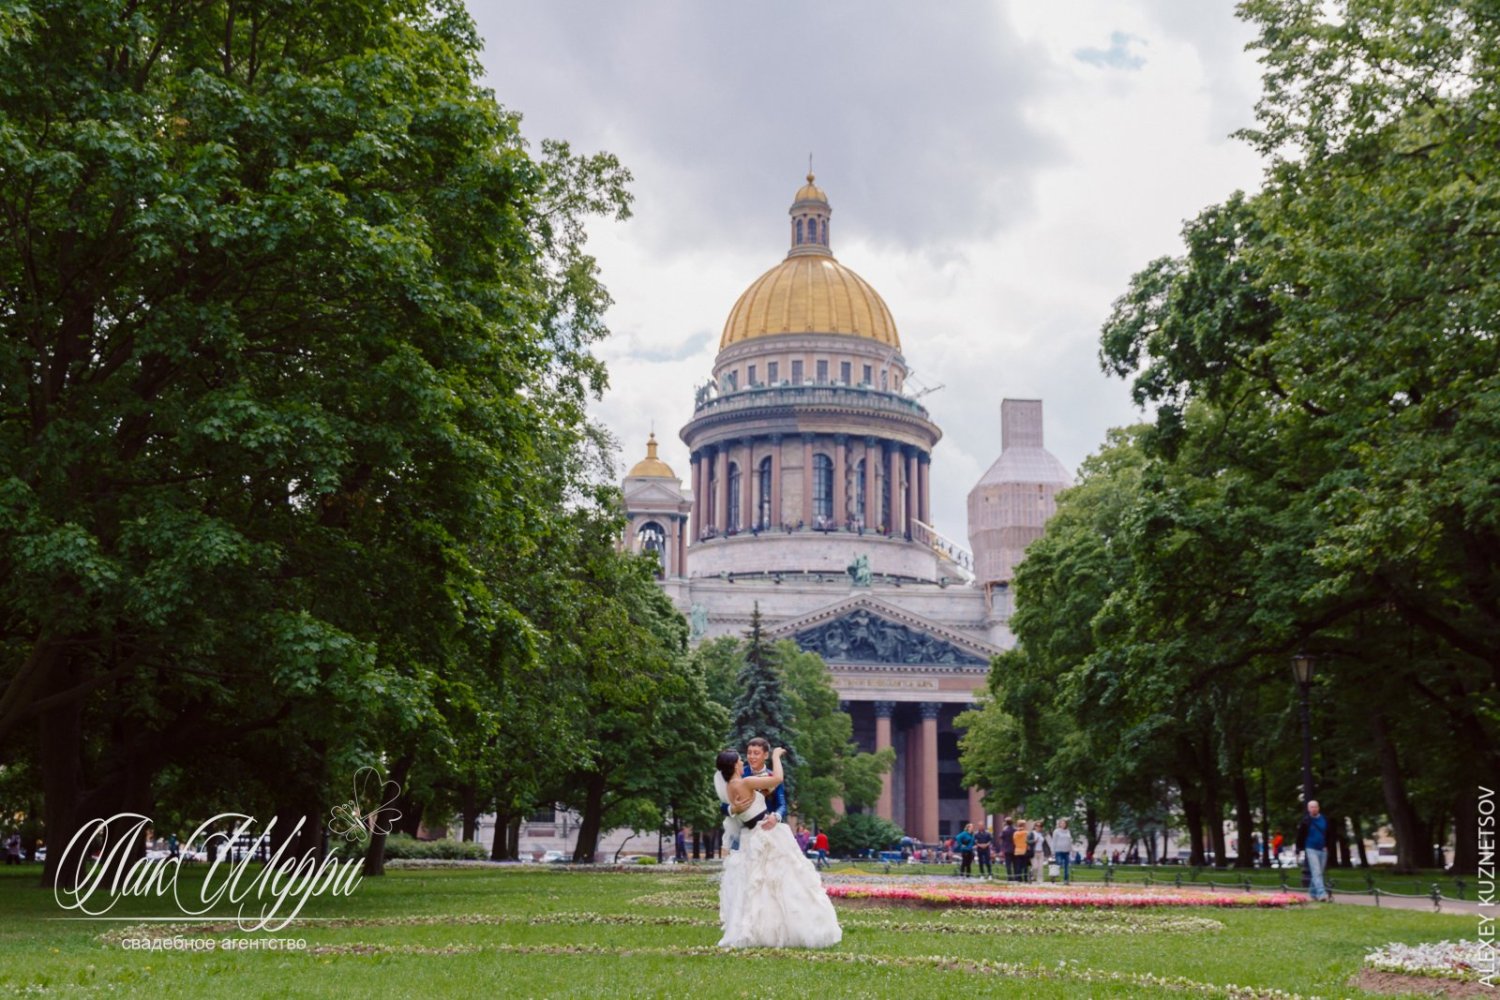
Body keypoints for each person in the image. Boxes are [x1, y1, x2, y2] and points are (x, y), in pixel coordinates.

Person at [714, 747, 842, 948]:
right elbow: (778, 779)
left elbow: (775, 801)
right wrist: (776, 756)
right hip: (766, 834)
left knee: (760, 885)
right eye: (740, 759)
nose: (743, 761)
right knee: (785, 879)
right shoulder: (746, 781)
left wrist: (766, 812)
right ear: (733, 765)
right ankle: (788, 928)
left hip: (753, 835)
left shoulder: (730, 785)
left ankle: (761, 930)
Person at [1296, 800, 1331, 902]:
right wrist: (1299, 849)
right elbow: (1300, 835)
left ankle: (1312, 892)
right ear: (1308, 809)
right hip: (1310, 848)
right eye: (1311, 807)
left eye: (1315, 807)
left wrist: (1327, 845)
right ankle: (1321, 894)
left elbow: (1330, 834)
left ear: (1318, 808)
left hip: (1323, 849)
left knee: (1319, 872)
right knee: (1316, 872)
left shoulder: (1325, 819)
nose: (1313, 809)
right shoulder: (1306, 821)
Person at [1050, 819, 1073, 884]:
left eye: (1064, 823)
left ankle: (1066, 880)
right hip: (1058, 850)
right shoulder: (1056, 831)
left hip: (1066, 851)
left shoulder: (1068, 831)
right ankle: (1053, 876)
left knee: (1066, 866)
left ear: (1066, 824)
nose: (1063, 824)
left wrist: (1072, 850)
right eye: (1061, 823)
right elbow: (1053, 841)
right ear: (1059, 824)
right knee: (1059, 863)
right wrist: (1053, 851)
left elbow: (1070, 841)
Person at [1000, 817, 1017, 881]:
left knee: (1008, 864)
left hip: (1007, 849)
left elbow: (1001, 837)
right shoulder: (1015, 830)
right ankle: (1016, 876)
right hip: (1014, 848)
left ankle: (1010, 877)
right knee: (1015, 864)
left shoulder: (1005, 830)